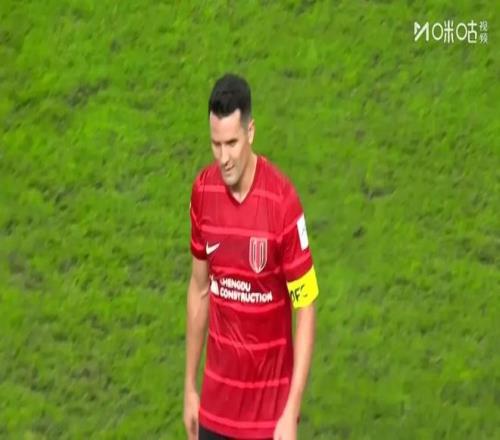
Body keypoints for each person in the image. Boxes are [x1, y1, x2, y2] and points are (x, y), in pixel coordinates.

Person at [183, 73, 319, 440]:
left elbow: (306, 305)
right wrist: (190, 387)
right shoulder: (203, 192)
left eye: (232, 143)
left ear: (251, 132)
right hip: (215, 412)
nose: (224, 158)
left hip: (268, 421)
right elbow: (199, 289)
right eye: (216, 145)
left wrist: (291, 410)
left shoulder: (282, 202)